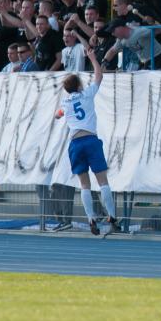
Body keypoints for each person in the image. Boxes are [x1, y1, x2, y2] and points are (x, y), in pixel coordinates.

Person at [54, 47, 121, 236]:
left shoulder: (65, 103)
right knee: (103, 181)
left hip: (75, 143)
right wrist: (92, 58)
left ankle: (91, 218)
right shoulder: (87, 94)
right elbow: (99, 76)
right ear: (79, 85)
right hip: (90, 140)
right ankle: (112, 216)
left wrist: (60, 114)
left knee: (84, 184)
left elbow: (57, 116)